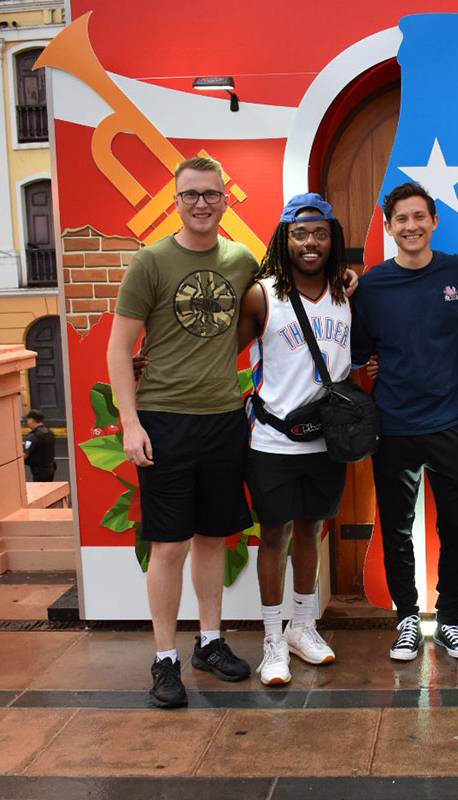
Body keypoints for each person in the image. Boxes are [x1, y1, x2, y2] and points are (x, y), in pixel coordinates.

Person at [107, 155, 258, 708]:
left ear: (225, 199)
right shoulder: (150, 262)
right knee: (169, 546)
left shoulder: (242, 261)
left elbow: (264, 313)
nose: (201, 203)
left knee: (214, 537)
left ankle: (210, 642)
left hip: (223, 419)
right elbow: (119, 349)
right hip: (165, 421)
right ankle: (165, 657)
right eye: (191, 194)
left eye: (211, 194)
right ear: (177, 200)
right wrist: (130, 423)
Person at [351, 182, 458, 662]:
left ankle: (449, 620)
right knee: (397, 527)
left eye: (419, 217)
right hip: (394, 425)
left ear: (433, 222)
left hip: (451, 422)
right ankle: (408, 618)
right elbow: (360, 353)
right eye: (401, 219)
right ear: (389, 228)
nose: (411, 226)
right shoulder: (370, 285)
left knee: (455, 526)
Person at [238, 194, 351, 685]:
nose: (310, 242)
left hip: (328, 443)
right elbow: (223, 353)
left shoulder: (347, 293)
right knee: (275, 535)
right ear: (284, 239)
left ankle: (302, 628)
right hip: (272, 441)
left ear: (332, 240)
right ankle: (271, 640)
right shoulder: (263, 294)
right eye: (300, 233)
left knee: (313, 531)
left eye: (320, 233)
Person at [23, 410, 57, 482]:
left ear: (31, 420)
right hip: (51, 468)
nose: (28, 422)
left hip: (39, 471)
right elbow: (42, 445)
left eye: (28, 420)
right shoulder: (49, 432)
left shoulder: (33, 436)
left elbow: (25, 455)